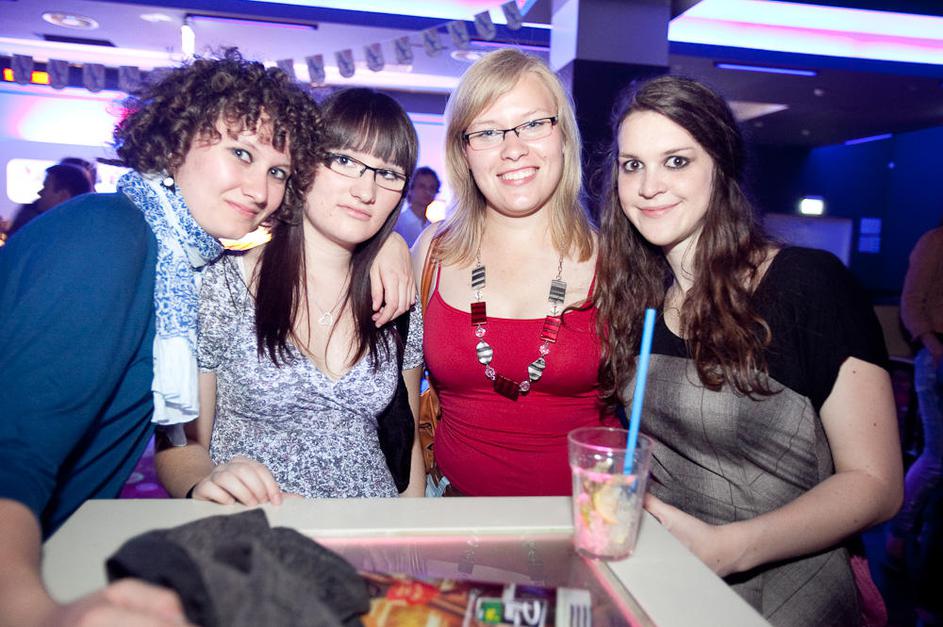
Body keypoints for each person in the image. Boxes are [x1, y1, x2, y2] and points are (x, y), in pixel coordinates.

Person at [0, 51, 412, 626]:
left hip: (64, 546)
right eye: (241, 153)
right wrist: (30, 611)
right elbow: (13, 450)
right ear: (175, 141)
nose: (259, 187)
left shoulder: (173, 266)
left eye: (278, 172)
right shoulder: (105, 234)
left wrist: (391, 242)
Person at [594, 75, 903, 625]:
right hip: (671, 586)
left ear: (722, 166)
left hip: (790, 591)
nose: (648, 186)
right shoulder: (637, 298)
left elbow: (877, 485)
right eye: (632, 165)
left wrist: (731, 548)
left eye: (676, 161)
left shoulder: (806, 285)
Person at [155, 87, 425, 502]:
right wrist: (204, 486)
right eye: (344, 161)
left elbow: (407, 443)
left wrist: (413, 534)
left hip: (372, 530)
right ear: (304, 163)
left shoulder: (395, 293)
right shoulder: (224, 283)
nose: (366, 191)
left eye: (388, 174)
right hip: (257, 529)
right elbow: (180, 443)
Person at [412, 48, 616, 497]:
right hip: (455, 517)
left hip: (585, 520)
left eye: (533, 124)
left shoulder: (616, 261)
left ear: (564, 136)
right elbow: (400, 400)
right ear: (464, 153)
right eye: (487, 132)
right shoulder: (431, 253)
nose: (513, 149)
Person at [889, 221, 943, 556]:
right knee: (937, 458)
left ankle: (924, 536)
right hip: (937, 356)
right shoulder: (935, 241)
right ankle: (899, 534)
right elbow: (911, 302)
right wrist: (935, 349)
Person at [7, 162, 93, 236]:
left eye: (45, 187)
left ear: (63, 196)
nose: (39, 193)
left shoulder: (39, 232)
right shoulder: (89, 230)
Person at [394, 166, 439, 245]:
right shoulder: (397, 224)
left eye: (432, 188)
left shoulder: (433, 228)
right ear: (410, 189)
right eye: (422, 186)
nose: (427, 191)